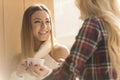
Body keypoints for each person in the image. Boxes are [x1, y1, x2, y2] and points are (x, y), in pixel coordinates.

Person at [35, 0, 120, 80]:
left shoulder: (93, 23)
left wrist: (49, 76)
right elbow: (99, 67)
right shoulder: (112, 27)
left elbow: (71, 67)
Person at [9, 4, 69, 80]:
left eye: (47, 21)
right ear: (28, 26)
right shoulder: (18, 60)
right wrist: (18, 75)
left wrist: (50, 74)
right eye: (38, 21)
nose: (44, 26)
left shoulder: (60, 52)